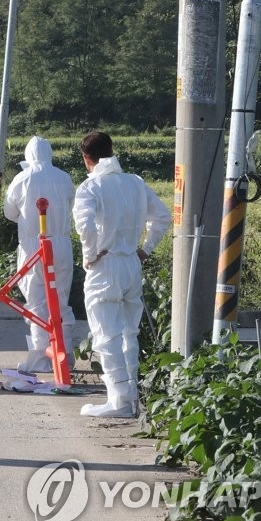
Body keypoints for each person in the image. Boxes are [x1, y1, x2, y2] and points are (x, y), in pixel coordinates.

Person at [72, 131, 170, 417]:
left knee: (106, 335)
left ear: (86, 159)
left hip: (106, 264)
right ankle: (131, 398)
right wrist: (146, 249)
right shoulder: (135, 183)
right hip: (131, 263)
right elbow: (162, 217)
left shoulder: (90, 188)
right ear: (111, 151)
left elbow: (85, 226)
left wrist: (90, 255)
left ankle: (119, 401)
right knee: (129, 331)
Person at [3, 136, 76, 373]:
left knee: (36, 302)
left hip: (34, 245)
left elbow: (9, 212)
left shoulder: (22, 178)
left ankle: (39, 359)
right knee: (60, 300)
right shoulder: (63, 177)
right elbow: (72, 205)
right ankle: (65, 357)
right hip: (61, 244)